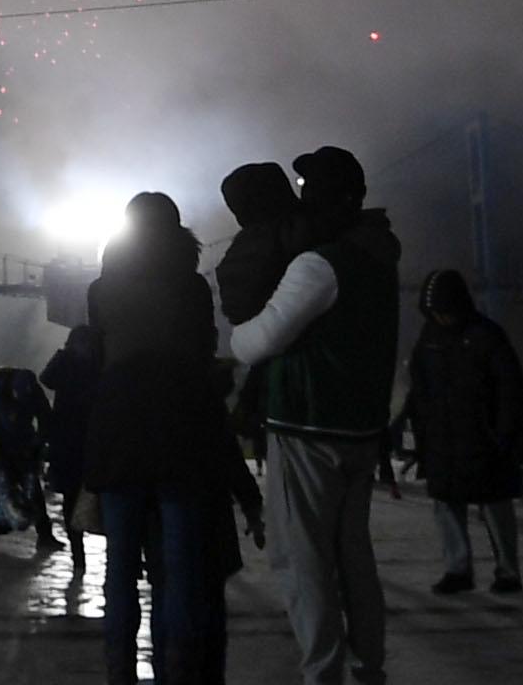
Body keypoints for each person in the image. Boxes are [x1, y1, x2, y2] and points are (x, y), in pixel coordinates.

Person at [229, 146, 400, 685]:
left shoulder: (320, 264)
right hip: (360, 426)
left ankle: (321, 672)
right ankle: (367, 661)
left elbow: (257, 341)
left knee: (300, 559)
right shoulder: (378, 256)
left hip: (308, 423)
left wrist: (235, 340)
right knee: (352, 554)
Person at [85, 192, 237, 683]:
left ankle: (118, 674)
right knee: (181, 574)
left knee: (120, 571)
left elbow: (102, 351)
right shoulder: (193, 288)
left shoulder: (101, 289)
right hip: (181, 429)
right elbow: (202, 351)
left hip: (118, 431)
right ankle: (178, 671)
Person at [401, 268, 523, 595]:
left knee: (496, 505)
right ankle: (457, 569)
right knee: (446, 505)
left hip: (482, 438)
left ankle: (508, 570)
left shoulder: (487, 335)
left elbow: (509, 388)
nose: (441, 318)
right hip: (443, 438)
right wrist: (418, 429)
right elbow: (419, 389)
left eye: (444, 311)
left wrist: (503, 433)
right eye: (435, 313)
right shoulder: (429, 338)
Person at [0, 364, 54, 551]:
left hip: (21, 445)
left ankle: (45, 535)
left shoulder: (33, 391)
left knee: (33, 489)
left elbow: (46, 418)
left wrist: (37, 442)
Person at [41, 320, 101, 574]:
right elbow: (47, 378)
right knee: (72, 498)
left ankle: (82, 553)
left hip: (82, 440)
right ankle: (79, 553)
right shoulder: (73, 364)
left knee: (82, 497)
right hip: (77, 441)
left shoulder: (94, 365)